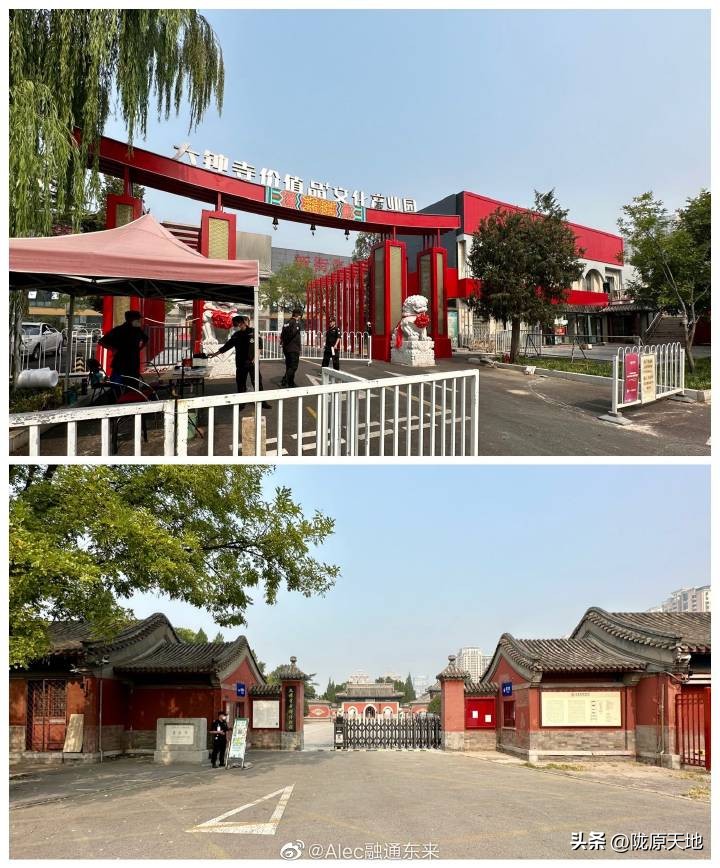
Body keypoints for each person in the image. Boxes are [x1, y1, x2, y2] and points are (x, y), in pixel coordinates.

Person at [210, 315, 271, 409]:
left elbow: (259, 346)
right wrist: (215, 354)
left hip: (252, 362)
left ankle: (262, 402)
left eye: (236, 324)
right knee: (241, 383)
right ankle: (241, 403)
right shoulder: (236, 335)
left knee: (257, 382)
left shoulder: (253, 332)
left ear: (241, 323)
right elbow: (227, 346)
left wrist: (255, 358)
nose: (235, 326)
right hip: (240, 363)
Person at [98, 310, 149, 385]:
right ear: (131, 319)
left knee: (132, 385)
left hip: (132, 363)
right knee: (119, 385)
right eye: (138, 319)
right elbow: (101, 342)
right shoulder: (119, 330)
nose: (139, 321)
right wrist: (113, 349)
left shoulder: (137, 330)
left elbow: (145, 339)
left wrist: (139, 349)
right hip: (121, 363)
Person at [279, 308, 303, 388]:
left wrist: (283, 342)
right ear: (297, 315)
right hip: (293, 348)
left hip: (286, 348)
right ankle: (285, 380)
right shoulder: (295, 322)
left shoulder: (287, 322)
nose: (300, 317)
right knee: (293, 366)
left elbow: (282, 335)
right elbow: (293, 333)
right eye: (299, 315)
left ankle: (291, 383)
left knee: (288, 366)